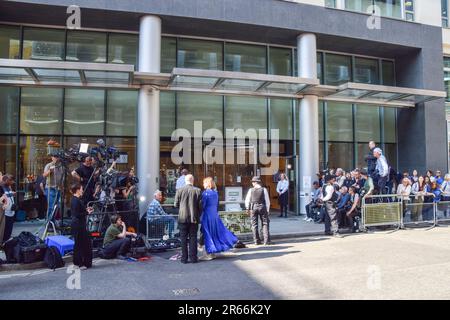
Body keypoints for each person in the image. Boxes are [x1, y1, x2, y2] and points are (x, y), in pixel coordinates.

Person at [199, 177, 238, 260]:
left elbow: (203, 206)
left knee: (207, 234)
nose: (203, 184)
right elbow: (217, 205)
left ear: (207, 183)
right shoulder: (215, 193)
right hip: (214, 215)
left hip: (207, 215)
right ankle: (212, 253)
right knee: (214, 233)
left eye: (204, 183)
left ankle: (208, 254)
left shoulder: (206, 193)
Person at [174, 174, 202, 264]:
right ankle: (193, 258)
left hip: (182, 218)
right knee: (193, 237)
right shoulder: (197, 190)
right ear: (192, 181)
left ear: (185, 181)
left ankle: (184, 259)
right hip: (194, 218)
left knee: (183, 239)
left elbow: (176, 204)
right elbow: (200, 206)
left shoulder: (179, 190)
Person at [70, 183, 94, 268]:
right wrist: (87, 212)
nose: (82, 191)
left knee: (79, 244)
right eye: (81, 189)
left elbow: (77, 211)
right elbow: (77, 214)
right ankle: (82, 263)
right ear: (77, 190)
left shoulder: (74, 199)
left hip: (78, 224)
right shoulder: (76, 200)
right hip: (79, 225)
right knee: (83, 244)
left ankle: (78, 262)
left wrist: (86, 210)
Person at [245, 176, 271, 245]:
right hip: (262, 206)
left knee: (254, 224)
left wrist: (247, 208)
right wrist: (268, 210)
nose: (252, 183)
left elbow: (247, 200)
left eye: (253, 182)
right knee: (265, 223)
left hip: (253, 207)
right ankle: (266, 241)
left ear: (256, 182)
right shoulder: (264, 189)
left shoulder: (251, 190)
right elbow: (267, 201)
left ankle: (256, 241)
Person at [43, 153, 64, 219]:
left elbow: (62, 178)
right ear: (52, 158)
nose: (56, 158)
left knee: (56, 206)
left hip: (58, 188)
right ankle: (49, 222)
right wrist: (50, 171)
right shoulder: (49, 165)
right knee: (51, 206)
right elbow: (44, 175)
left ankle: (53, 221)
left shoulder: (61, 166)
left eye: (57, 157)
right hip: (50, 188)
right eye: (54, 157)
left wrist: (62, 187)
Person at [0, 175, 16, 244]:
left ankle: (7, 242)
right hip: (5, 212)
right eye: (11, 180)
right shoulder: (1, 188)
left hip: (11, 211)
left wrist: (12, 194)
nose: (12, 182)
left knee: (9, 228)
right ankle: (3, 242)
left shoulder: (9, 187)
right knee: (4, 229)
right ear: (6, 180)